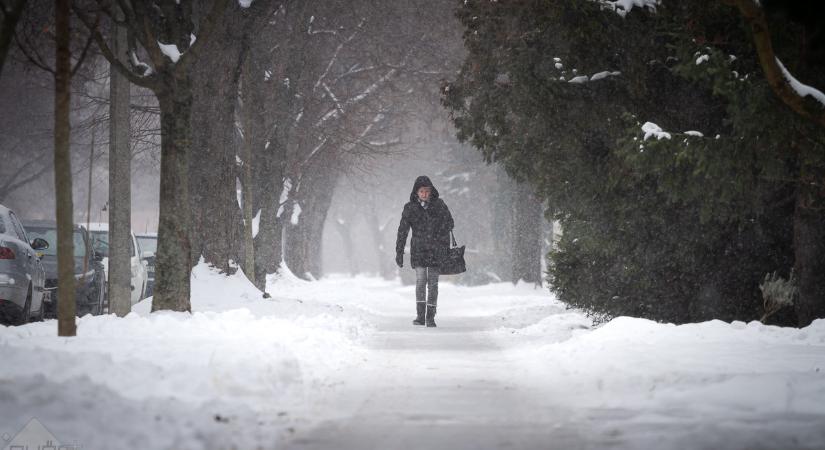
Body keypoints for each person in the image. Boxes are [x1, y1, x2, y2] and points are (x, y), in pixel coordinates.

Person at [396, 176, 454, 327]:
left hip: (436, 250)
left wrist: (439, 234)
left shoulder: (439, 205)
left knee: (433, 283)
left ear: (431, 191)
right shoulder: (410, 208)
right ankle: (420, 315)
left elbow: (449, 222)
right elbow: (403, 230)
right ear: (416, 192)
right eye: (421, 191)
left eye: (427, 191)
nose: (424, 194)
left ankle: (431, 316)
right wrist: (399, 251)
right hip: (419, 250)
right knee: (421, 281)